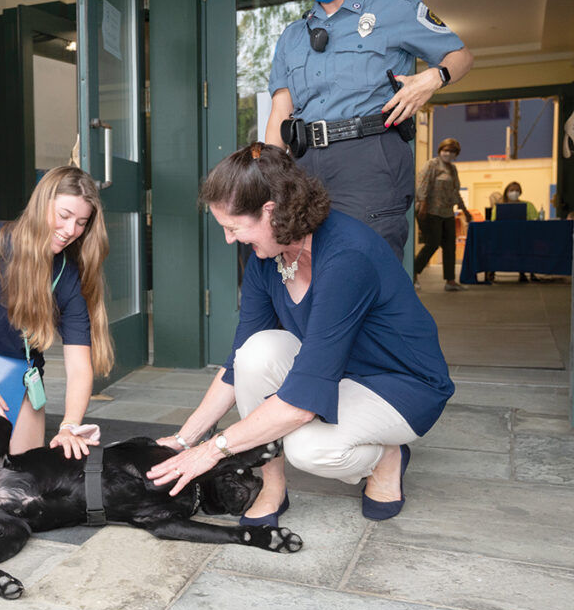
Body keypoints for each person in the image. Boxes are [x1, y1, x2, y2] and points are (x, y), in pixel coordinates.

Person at [148, 143, 454, 526]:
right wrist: (183, 439)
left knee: (308, 448)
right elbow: (237, 363)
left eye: (232, 227)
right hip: (335, 372)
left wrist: (212, 450)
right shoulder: (266, 255)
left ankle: (386, 456)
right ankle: (272, 485)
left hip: (400, 383)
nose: (229, 239)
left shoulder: (347, 257)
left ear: (270, 212)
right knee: (255, 353)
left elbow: (301, 402)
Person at [264, 0, 474, 260]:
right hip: (304, 164)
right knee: (307, 275)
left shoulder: (392, 9)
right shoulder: (292, 37)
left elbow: (462, 57)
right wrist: (267, 180)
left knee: (365, 272)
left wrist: (431, 79)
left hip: (369, 158)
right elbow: (280, 111)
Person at [0, 165, 114, 458]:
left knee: (21, 472)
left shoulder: (68, 275)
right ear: (41, 203)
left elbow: (78, 364)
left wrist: (70, 425)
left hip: (21, 373)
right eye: (64, 216)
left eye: (82, 222)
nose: (71, 231)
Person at [414, 137, 472, 291]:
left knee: (449, 247)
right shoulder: (432, 165)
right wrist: (423, 204)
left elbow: (455, 192)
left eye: (452, 152)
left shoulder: (452, 169)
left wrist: (465, 210)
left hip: (447, 212)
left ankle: (450, 281)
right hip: (431, 211)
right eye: (445, 150)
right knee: (432, 243)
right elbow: (422, 184)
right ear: (440, 150)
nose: (448, 154)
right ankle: (412, 273)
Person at [491, 180, 539, 282]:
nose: (514, 192)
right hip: (503, 237)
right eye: (512, 190)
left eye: (517, 190)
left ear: (520, 192)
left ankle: (524, 272)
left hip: (523, 237)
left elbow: (535, 221)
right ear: (506, 192)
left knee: (526, 243)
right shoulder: (498, 207)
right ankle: (491, 271)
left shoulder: (528, 205)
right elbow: (493, 222)